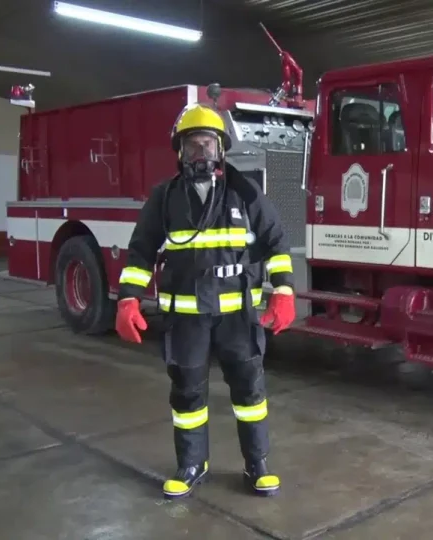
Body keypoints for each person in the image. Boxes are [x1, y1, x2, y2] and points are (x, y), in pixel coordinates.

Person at [113, 102, 296, 500]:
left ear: (222, 150)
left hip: (237, 319)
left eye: (208, 145)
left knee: (250, 394)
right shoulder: (165, 198)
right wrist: (128, 299)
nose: (201, 154)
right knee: (187, 395)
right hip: (186, 320)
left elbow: (276, 241)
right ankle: (192, 465)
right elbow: (141, 251)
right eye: (192, 146)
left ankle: (256, 464)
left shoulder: (245, 192)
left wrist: (282, 291)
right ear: (179, 152)